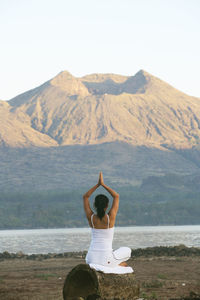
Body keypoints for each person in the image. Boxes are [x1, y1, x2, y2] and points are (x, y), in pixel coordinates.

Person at [83, 172, 133, 272]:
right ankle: (117, 263)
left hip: (90, 258)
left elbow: (85, 197)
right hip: (105, 260)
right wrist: (103, 184)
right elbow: (116, 196)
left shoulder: (91, 218)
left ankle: (116, 263)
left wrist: (97, 185)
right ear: (107, 205)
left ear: (95, 205)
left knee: (116, 256)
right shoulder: (110, 218)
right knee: (127, 250)